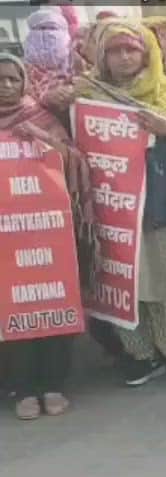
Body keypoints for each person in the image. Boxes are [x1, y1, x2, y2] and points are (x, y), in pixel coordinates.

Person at [75, 19, 166, 389]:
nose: (124, 57)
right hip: (112, 208)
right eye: (115, 51)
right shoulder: (88, 95)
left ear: (147, 53)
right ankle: (140, 354)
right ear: (102, 56)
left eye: (132, 49)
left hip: (161, 204)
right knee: (123, 283)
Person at [0, 54, 80, 419]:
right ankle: (24, 388)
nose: (6, 86)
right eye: (0, 80)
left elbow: (73, 161)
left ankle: (53, 384)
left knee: (51, 305)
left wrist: (43, 139)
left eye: (13, 79)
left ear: (24, 82)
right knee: (13, 309)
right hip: (7, 238)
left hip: (50, 233)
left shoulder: (41, 117)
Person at [23, 8, 77, 124]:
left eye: (52, 29)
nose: (45, 35)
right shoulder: (22, 73)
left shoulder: (78, 66)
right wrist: (45, 98)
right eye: (39, 29)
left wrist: (74, 93)